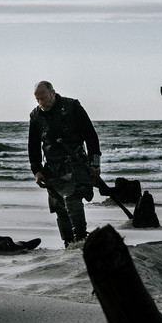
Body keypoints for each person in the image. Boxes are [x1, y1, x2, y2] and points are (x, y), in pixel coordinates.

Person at [27, 81, 102, 247]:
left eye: (43, 98)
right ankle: (68, 244)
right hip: (52, 169)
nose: (41, 102)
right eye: (37, 99)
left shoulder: (72, 106)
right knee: (60, 208)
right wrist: (37, 170)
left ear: (53, 93)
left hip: (75, 164)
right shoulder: (35, 116)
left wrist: (94, 162)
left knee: (72, 201)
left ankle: (81, 241)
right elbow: (33, 146)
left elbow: (90, 135)